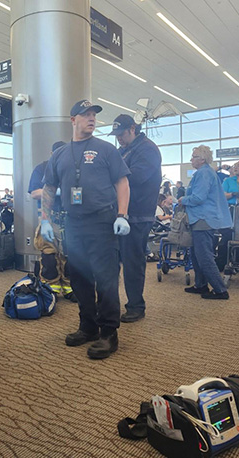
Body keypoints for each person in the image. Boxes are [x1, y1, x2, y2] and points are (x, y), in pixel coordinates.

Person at [41, 100, 131, 359]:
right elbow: (48, 188)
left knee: (106, 279)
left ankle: (108, 332)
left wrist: (122, 215)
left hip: (102, 222)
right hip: (73, 222)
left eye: (94, 115)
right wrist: (44, 219)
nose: (91, 118)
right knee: (80, 279)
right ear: (73, 120)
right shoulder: (59, 155)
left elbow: (122, 182)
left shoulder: (106, 150)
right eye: (85, 114)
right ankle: (88, 326)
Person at [109, 114, 162, 323]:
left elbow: (134, 177)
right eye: (116, 135)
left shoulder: (147, 149)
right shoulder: (125, 150)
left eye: (121, 133)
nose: (119, 138)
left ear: (132, 128)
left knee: (133, 263)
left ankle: (136, 306)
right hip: (122, 214)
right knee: (117, 261)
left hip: (138, 215)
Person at [179, 145, 233, 300]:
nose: (191, 159)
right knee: (197, 254)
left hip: (203, 218)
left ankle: (220, 290)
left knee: (203, 255)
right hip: (202, 218)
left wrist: (183, 199)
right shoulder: (207, 172)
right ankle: (201, 284)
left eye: (194, 156)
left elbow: (198, 198)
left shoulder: (203, 173)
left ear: (202, 159)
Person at [29, 141, 74, 299]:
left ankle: (70, 288)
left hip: (70, 218)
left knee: (70, 256)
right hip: (49, 218)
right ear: (51, 154)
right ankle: (50, 287)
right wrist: (56, 191)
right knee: (49, 255)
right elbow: (34, 193)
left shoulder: (73, 169)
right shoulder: (42, 168)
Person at [217, 158, 239, 271]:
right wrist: (233, 194)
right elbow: (222, 195)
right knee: (227, 235)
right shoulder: (228, 181)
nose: (235, 167)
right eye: (234, 165)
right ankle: (222, 262)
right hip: (231, 210)